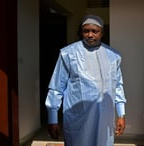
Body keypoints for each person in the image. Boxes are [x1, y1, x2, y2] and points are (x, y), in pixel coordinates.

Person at [45, 14, 127, 146]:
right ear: (81, 32)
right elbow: (56, 87)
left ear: (102, 33)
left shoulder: (113, 56)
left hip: (104, 118)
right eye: (86, 31)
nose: (90, 35)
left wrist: (121, 114)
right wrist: (52, 119)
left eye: (95, 31)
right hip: (78, 117)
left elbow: (117, 86)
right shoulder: (68, 54)